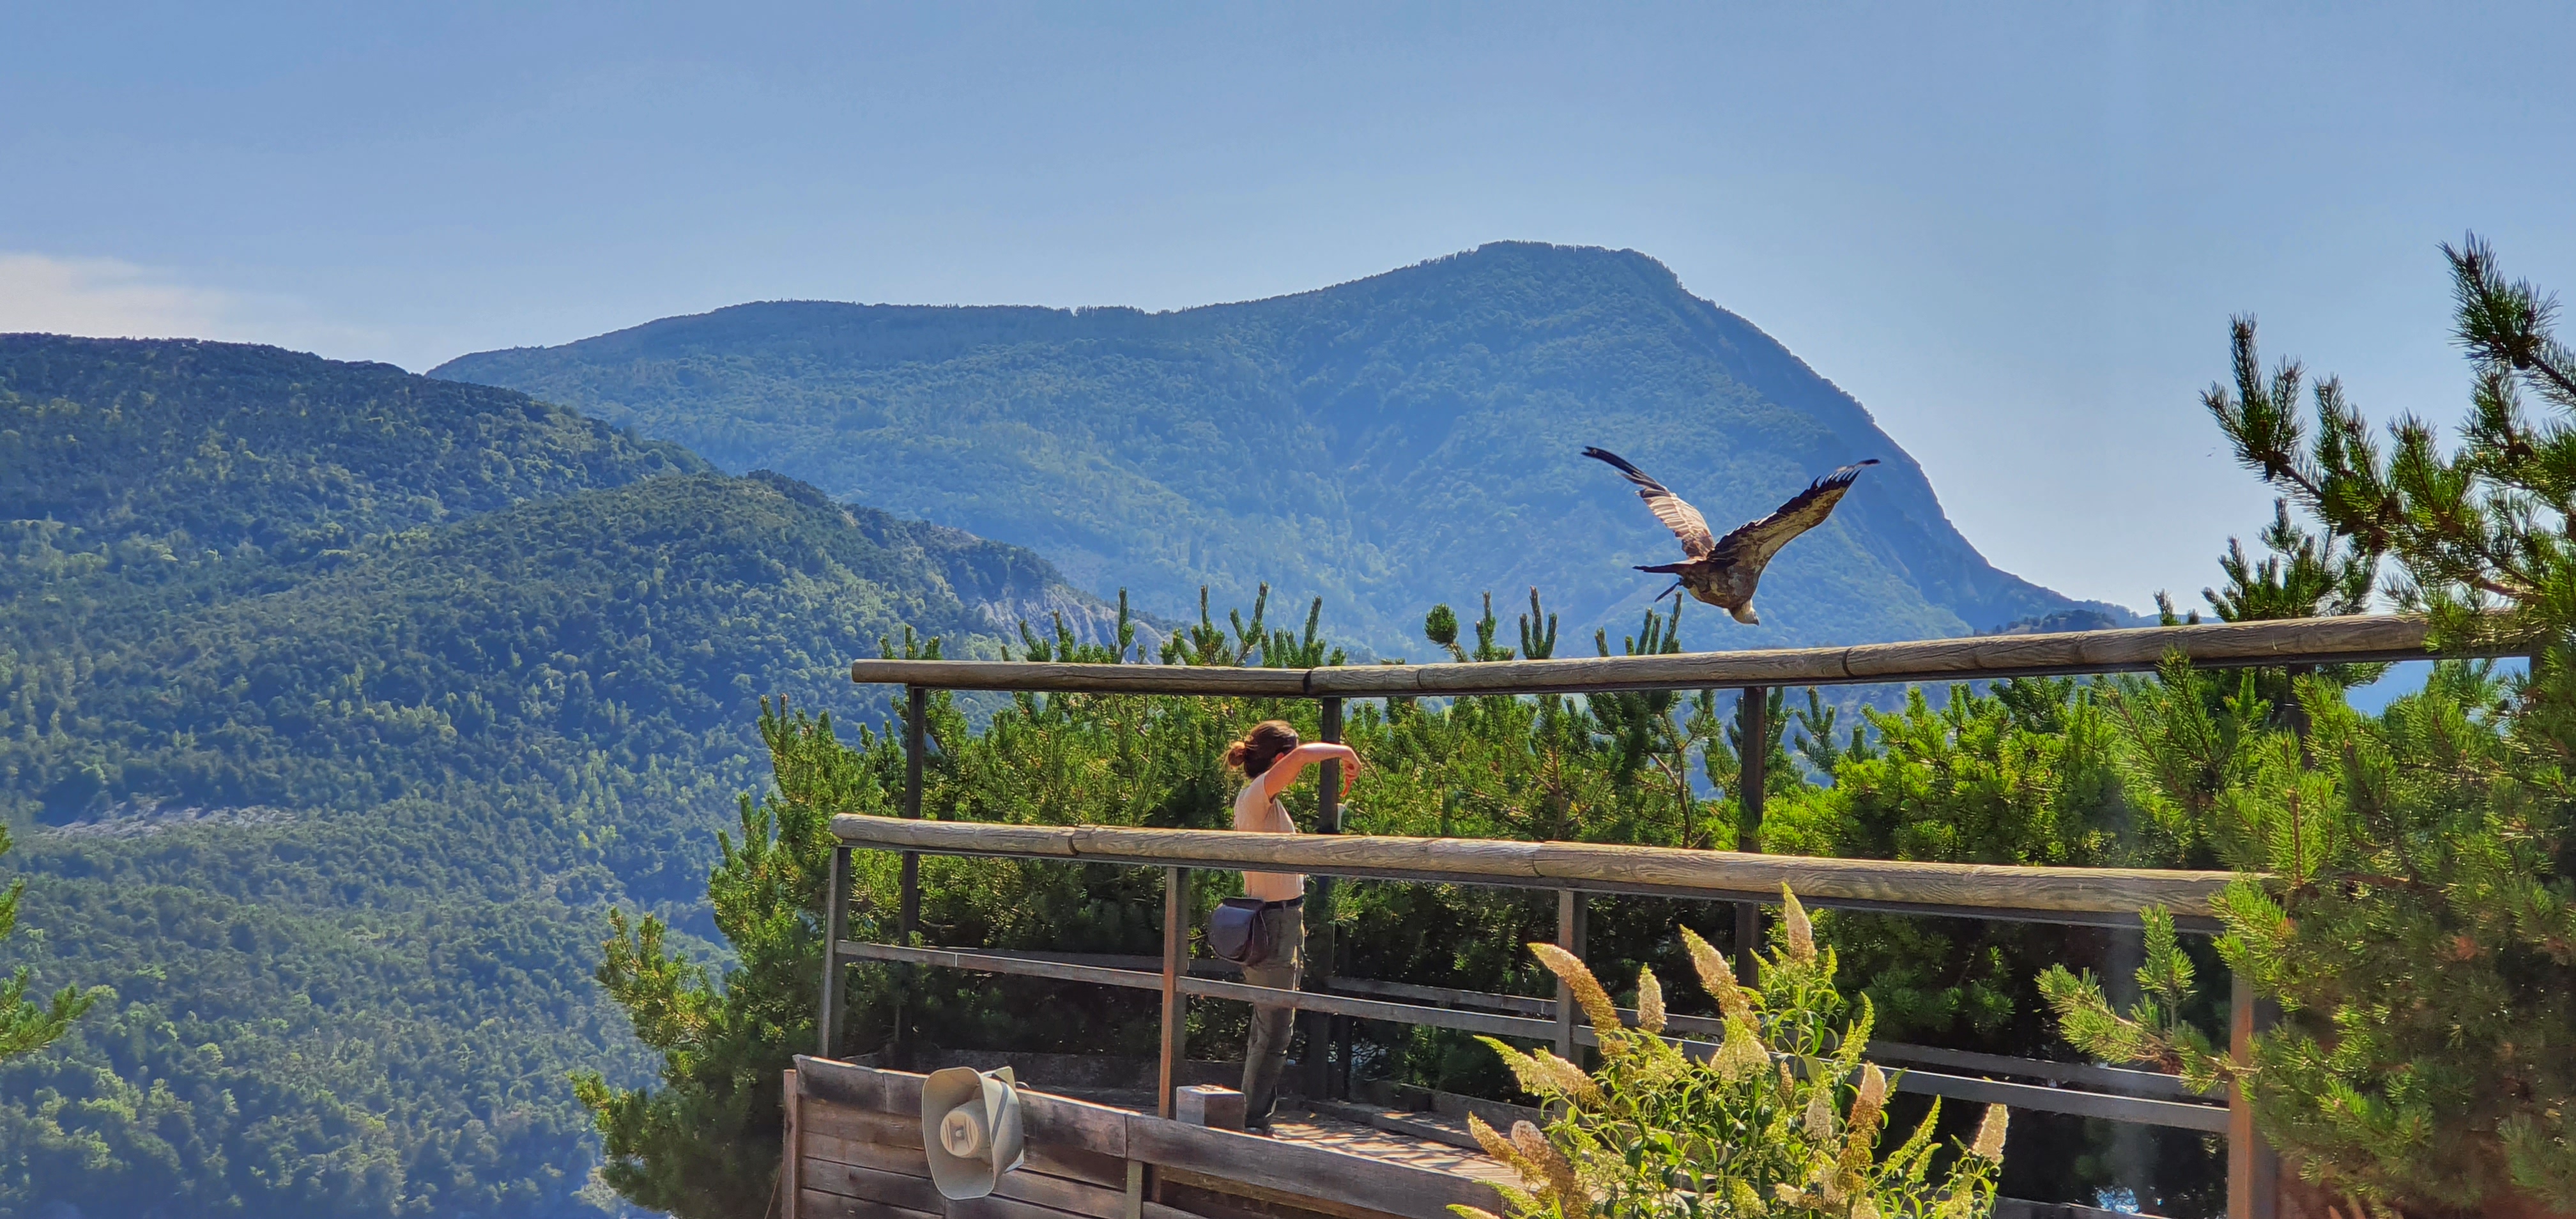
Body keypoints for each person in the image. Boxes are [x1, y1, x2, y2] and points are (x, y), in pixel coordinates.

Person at [1223, 719, 1360, 1132]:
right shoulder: (1256, 798)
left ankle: (1253, 1114)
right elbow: (1300, 758)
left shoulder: (1262, 802)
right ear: (1279, 760)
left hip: (1280, 920)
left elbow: (1296, 757)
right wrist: (1343, 752)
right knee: (1275, 1029)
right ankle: (1251, 1119)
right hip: (1274, 922)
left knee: (1271, 1026)